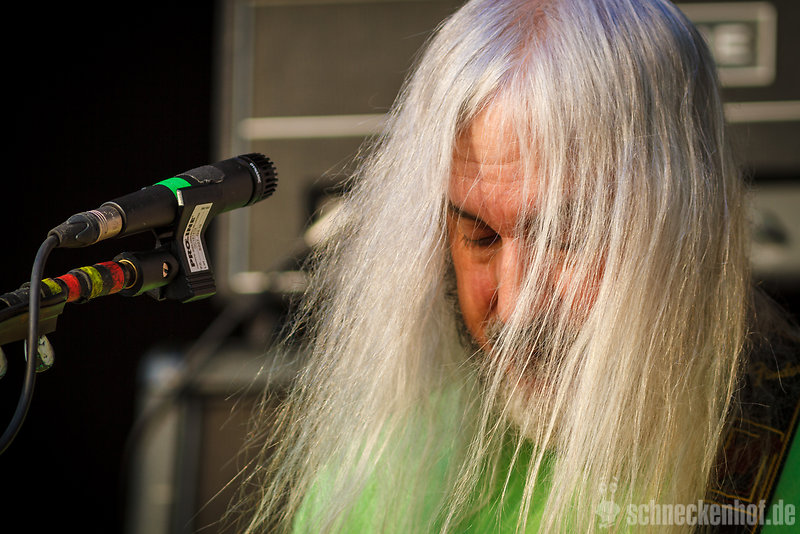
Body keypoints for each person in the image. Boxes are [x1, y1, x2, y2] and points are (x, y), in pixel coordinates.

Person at [228, 0, 800, 532]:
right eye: (479, 237)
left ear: (690, 220)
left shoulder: (775, 465)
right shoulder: (382, 468)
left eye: (567, 237)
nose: (518, 304)